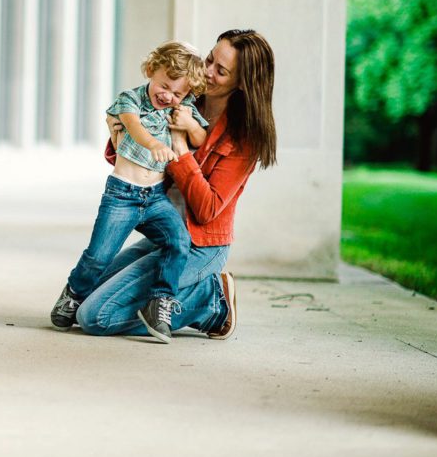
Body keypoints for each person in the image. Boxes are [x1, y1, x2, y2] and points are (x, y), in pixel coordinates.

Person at [74, 29, 278, 340]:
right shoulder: (185, 96)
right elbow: (136, 145)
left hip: (200, 246)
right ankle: (176, 296)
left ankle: (211, 302)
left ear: (241, 83)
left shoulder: (244, 139)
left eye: (221, 71)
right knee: (83, 293)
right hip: (166, 235)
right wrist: (119, 128)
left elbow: (208, 209)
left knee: (95, 317)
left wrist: (181, 147)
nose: (207, 72)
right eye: (210, 59)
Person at [50, 41, 208, 343]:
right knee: (99, 256)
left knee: (178, 241)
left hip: (155, 197)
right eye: (164, 86)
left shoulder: (180, 107)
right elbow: (134, 127)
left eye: (178, 93)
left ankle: (159, 301)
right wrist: (155, 144)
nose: (168, 96)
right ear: (151, 71)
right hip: (123, 194)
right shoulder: (130, 100)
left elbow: (200, 138)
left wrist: (188, 124)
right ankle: (74, 292)